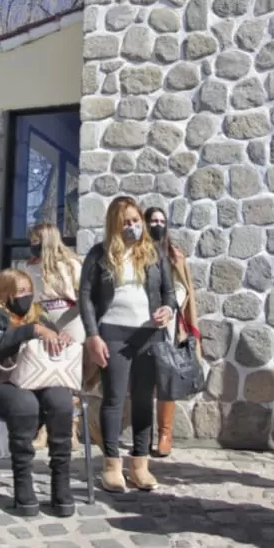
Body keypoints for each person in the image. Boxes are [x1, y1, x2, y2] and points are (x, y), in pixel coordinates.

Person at [0, 269, 76, 517]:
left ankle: (60, 483)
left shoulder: (38, 315)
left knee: (61, 400)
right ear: (3, 292)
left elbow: (50, 342)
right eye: (20, 291)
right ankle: (23, 484)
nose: (27, 296)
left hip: (39, 380)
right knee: (24, 404)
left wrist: (60, 337)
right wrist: (31, 331)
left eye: (29, 291)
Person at [79, 195, 176, 493]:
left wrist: (168, 309)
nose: (133, 226)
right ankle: (111, 466)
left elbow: (169, 293)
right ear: (114, 225)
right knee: (114, 399)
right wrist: (93, 335)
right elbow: (85, 297)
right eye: (126, 222)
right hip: (113, 334)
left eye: (136, 221)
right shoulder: (99, 254)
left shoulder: (155, 253)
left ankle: (140, 466)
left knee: (145, 400)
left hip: (148, 335)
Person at [143, 206, 200, 458]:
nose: (157, 224)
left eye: (161, 220)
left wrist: (168, 306)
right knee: (142, 380)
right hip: (139, 321)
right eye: (153, 220)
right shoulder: (136, 251)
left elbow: (182, 287)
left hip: (167, 322)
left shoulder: (173, 253)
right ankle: (142, 436)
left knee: (166, 377)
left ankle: (165, 434)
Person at [24, 223, 84, 450]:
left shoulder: (71, 264)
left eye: (36, 240)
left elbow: (83, 298)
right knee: (45, 375)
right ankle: (45, 428)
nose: (32, 245)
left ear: (47, 239)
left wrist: (70, 330)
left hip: (71, 320)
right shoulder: (30, 267)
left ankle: (71, 428)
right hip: (43, 321)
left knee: (70, 378)